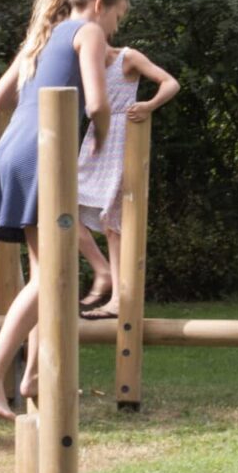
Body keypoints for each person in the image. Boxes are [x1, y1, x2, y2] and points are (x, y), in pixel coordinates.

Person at [0, 0, 126, 419]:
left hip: (10, 152)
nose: (114, 28)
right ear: (99, 5)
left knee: (46, 273)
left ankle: (33, 374)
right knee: (51, 276)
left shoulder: (42, 36)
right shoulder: (88, 32)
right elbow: (97, 104)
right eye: (117, 16)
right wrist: (99, 143)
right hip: (41, 155)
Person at [77, 43, 180, 319]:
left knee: (114, 222)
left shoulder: (127, 57)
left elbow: (170, 83)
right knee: (60, 207)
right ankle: (102, 270)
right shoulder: (84, 61)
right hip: (95, 141)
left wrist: (149, 105)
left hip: (122, 137)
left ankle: (118, 300)